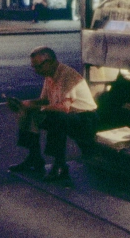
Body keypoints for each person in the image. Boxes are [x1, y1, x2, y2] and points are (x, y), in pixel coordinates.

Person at [6, 46, 99, 181]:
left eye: (38, 67)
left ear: (49, 62)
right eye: (33, 67)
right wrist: (25, 104)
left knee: (57, 118)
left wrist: (39, 109)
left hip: (85, 117)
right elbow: (44, 100)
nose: (36, 71)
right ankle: (34, 157)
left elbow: (64, 108)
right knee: (28, 112)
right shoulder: (49, 75)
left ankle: (60, 165)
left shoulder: (67, 75)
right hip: (71, 114)